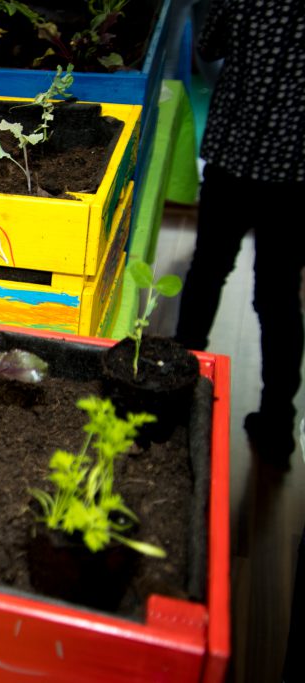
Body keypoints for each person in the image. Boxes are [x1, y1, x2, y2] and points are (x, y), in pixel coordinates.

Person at [173, 0, 305, 464]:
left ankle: (180, 387)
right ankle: (278, 424)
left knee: (207, 271)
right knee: (279, 297)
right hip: (295, 172)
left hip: (235, 155)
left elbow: (209, 45)